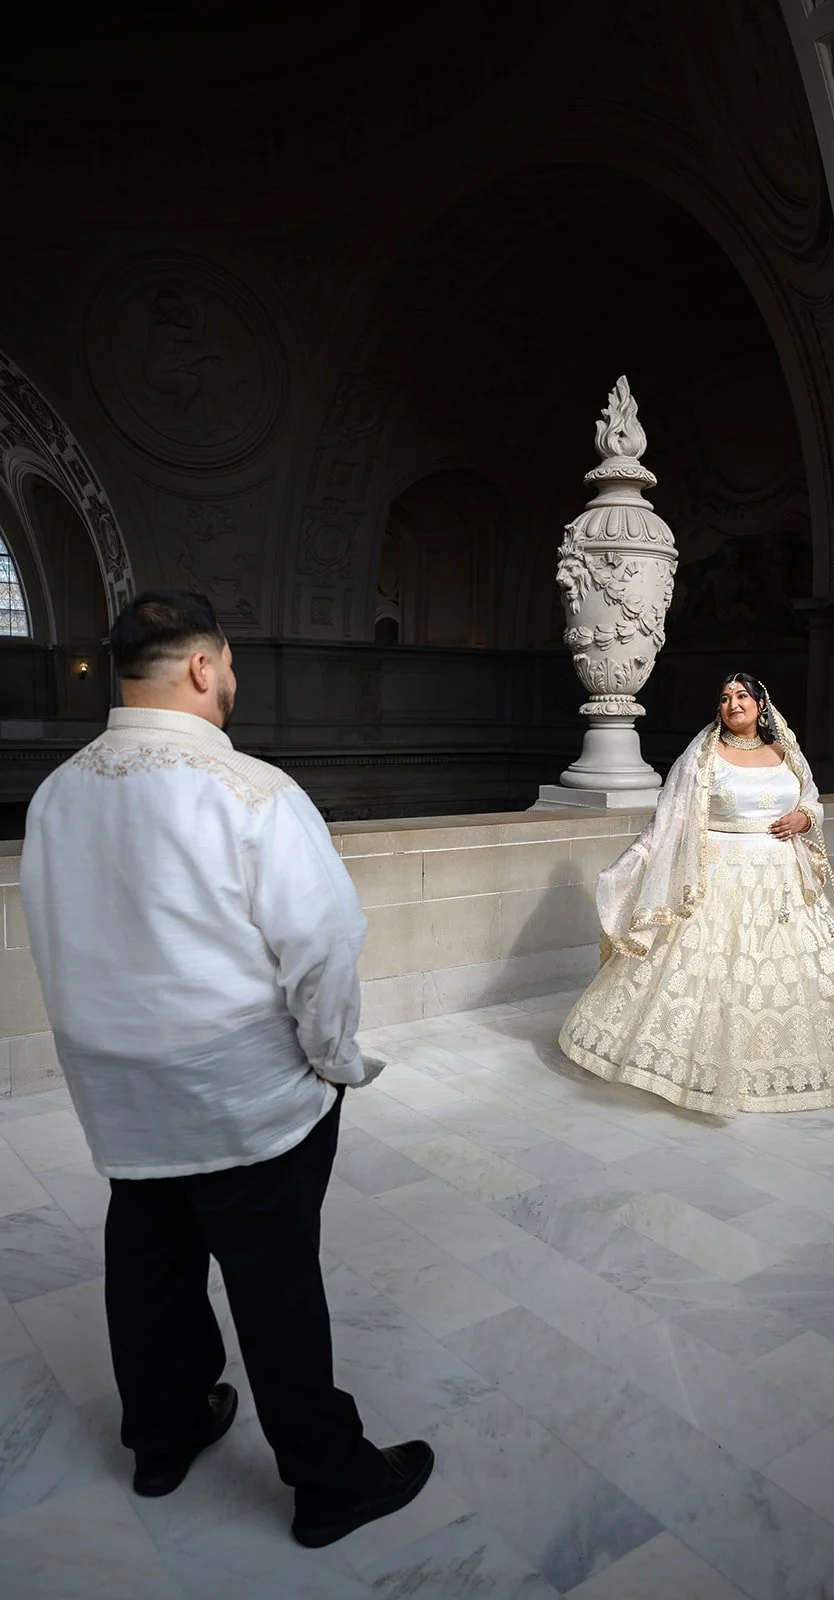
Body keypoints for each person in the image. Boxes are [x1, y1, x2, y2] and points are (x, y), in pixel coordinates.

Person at [19, 590, 433, 1549]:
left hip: (123, 1100)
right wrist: (333, 1063)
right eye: (231, 667)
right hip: (242, 1095)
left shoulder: (56, 794)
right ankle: (332, 1482)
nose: (232, 683)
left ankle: (162, 1442)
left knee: (150, 1268)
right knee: (275, 1286)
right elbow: (323, 947)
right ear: (204, 667)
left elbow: (54, 938)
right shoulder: (253, 792)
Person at [559, 672, 834, 1115]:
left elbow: (811, 798)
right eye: (725, 698)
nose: (733, 704)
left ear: (761, 705)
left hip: (782, 877)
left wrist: (805, 819)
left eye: (742, 696)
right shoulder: (704, 757)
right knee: (715, 966)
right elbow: (671, 818)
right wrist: (634, 865)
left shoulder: (785, 752)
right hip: (719, 877)